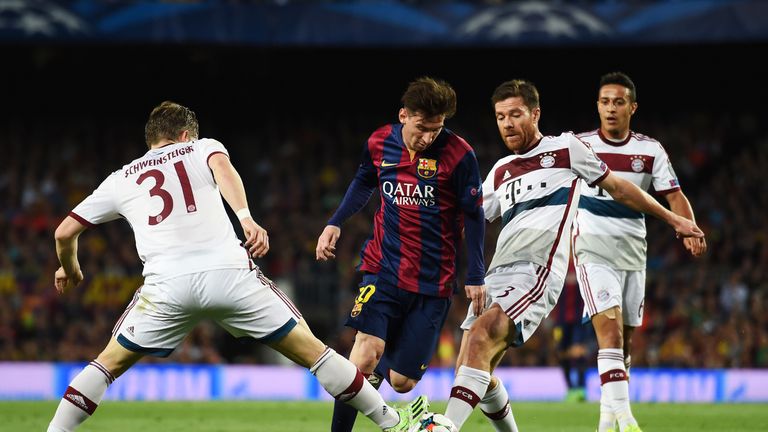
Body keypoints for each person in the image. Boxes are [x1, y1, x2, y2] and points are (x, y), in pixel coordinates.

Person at [47, 101, 428, 432]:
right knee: (315, 353)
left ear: (152, 139)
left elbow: (64, 232)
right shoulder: (201, 147)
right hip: (228, 274)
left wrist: (71, 268)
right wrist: (245, 217)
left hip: (167, 286)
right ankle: (392, 423)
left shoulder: (122, 178)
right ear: (185, 135)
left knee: (107, 364)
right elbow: (223, 170)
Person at [443, 79, 704, 432]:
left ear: (535, 114)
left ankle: (443, 428)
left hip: (536, 270)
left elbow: (619, 188)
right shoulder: (500, 170)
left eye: (515, 114)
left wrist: (674, 219)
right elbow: (467, 220)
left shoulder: (566, 148)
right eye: (500, 116)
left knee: (480, 337)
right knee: (473, 367)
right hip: (497, 275)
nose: (507, 123)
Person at [315, 77, 487, 432]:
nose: (427, 138)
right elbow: (364, 181)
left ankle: (378, 381)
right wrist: (336, 222)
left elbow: (474, 214)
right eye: (422, 128)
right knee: (363, 354)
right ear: (403, 115)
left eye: (436, 130)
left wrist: (475, 274)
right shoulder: (380, 142)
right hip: (383, 267)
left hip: (433, 281)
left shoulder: (459, 155)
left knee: (402, 382)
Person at [573, 72, 707, 432]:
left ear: (632, 107)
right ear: (597, 106)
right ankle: (628, 421)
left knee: (626, 341)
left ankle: (605, 421)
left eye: (618, 102)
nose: (611, 109)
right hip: (591, 248)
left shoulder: (650, 151)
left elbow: (674, 195)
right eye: (604, 102)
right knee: (611, 334)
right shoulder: (579, 145)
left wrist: (688, 227)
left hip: (633, 252)